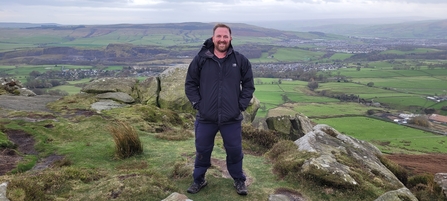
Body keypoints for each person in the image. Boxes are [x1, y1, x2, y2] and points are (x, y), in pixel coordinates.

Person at [184, 23, 255, 196]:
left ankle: (239, 180)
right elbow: (190, 84)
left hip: (231, 118)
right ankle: (199, 179)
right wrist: (198, 104)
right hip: (206, 117)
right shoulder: (201, 59)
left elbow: (248, 86)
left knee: (235, 150)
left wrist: (240, 105)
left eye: (225, 36)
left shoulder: (240, 60)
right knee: (202, 150)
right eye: (219, 36)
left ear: (230, 38)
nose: (222, 39)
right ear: (213, 38)